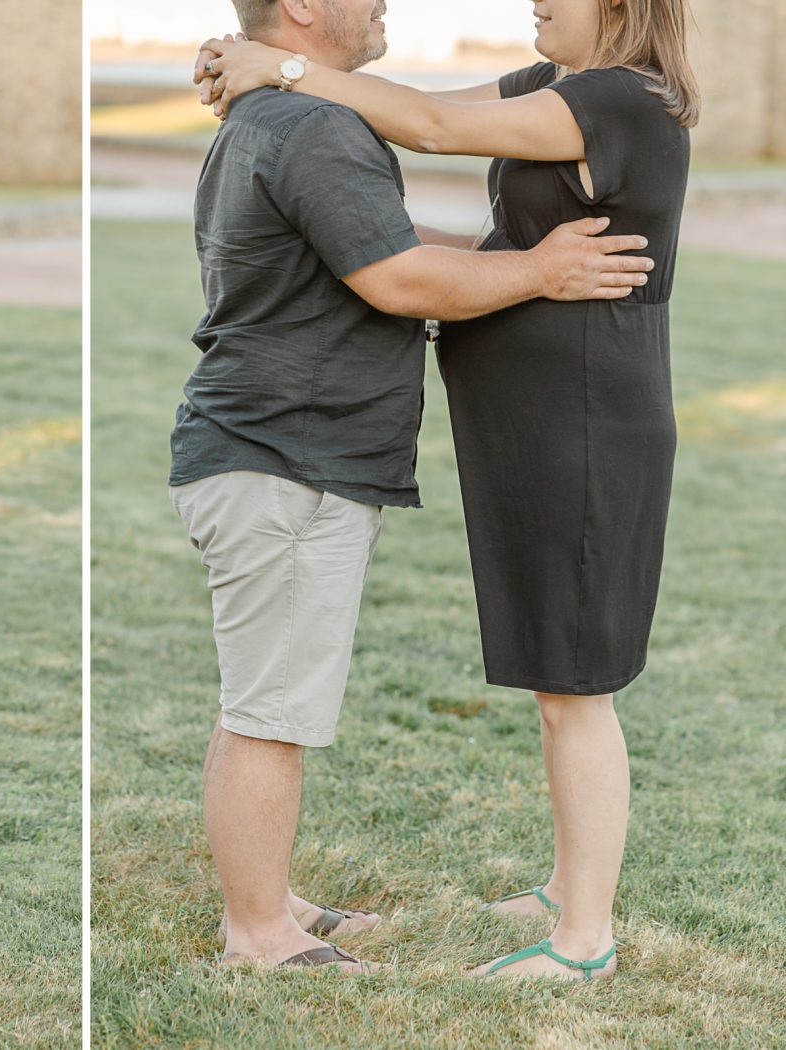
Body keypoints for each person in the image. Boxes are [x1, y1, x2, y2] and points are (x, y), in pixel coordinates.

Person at [196, 0, 699, 979]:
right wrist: (262, 68)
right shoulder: (544, 89)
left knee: (575, 686)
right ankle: (564, 885)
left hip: (583, 423)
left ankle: (581, 940)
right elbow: (412, 107)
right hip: (528, 428)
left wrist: (274, 68)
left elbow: (427, 130)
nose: (533, 3)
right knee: (553, 669)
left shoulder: (621, 103)